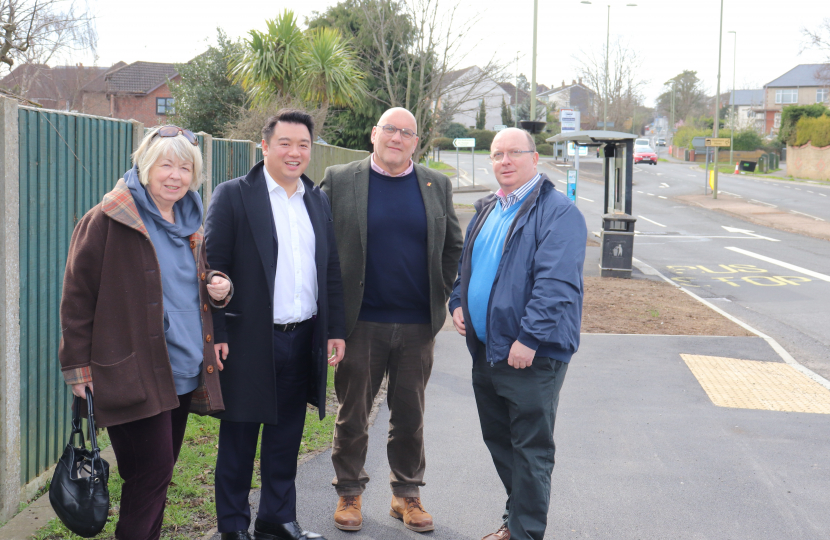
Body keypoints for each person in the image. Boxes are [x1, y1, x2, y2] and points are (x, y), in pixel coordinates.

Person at [58, 125, 232, 540]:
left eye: (185, 168)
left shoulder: (190, 220)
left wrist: (218, 286)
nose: (175, 175)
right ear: (145, 165)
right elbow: (77, 297)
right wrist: (77, 368)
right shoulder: (107, 218)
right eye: (166, 165)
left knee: (156, 477)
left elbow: (191, 283)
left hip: (183, 369)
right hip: (133, 374)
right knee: (150, 476)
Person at [320, 107, 463, 533]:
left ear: (415, 142)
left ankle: (407, 496)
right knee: (353, 411)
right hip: (360, 322)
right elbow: (319, 246)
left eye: (406, 133)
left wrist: (440, 292)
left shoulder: (436, 185)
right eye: (390, 130)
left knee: (410, 414)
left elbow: (453, 245)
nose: (397, 138)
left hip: (418, 323)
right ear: (374, 134)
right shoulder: (341, 180)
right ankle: (349, 492)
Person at [205, 109, 346, 540]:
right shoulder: (233, 196)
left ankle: (276, 519)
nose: (295, 152)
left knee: (286, 438)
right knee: (239, 440)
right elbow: (212, 268)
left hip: (301, 337)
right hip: (248, 341)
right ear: (264, 146)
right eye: (285, 143)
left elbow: (331, 270)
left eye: (303, 145)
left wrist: (335, 329)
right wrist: (218, 333)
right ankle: (233, 527)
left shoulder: (315, 199)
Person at [448, 128, 587, 540]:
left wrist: (529, 339)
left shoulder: (558, 212)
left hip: (530, 353)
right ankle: (516, 522)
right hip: (488, 350)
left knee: (530, 449)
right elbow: (466, 269)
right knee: (501, 442)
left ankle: (524, 533)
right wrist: (457, 304)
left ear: (535, 158)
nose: (504, 161)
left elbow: (556, 284)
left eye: (513, 153)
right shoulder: (487, 209)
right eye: (496, 155)